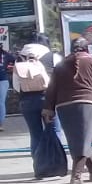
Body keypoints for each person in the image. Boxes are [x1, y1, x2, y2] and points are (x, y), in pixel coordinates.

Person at [43, 39, 92, 184]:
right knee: (85, 140)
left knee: (78, 141)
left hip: (64, 106)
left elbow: (51, 88)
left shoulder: (60, 66)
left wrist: (48, 108)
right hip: (87, 104)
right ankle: (76, 177)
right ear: (86, 49)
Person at [13, 35, 61, 174]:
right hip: (49, 100)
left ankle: (39, 167)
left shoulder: (19, 59)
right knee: (54, 131)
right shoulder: (52, 57)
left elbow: (16, 85)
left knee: (35, 134)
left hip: (26, 101)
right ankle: (55, 165)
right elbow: (60, 78)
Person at [0, 44, 13, 132]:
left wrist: (9, 68)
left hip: (2, 80)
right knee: (1, 103)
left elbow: (15, 60)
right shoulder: (5, 54)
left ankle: (0, 124)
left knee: (1, 103)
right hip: (3, 80)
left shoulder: (5, 54)